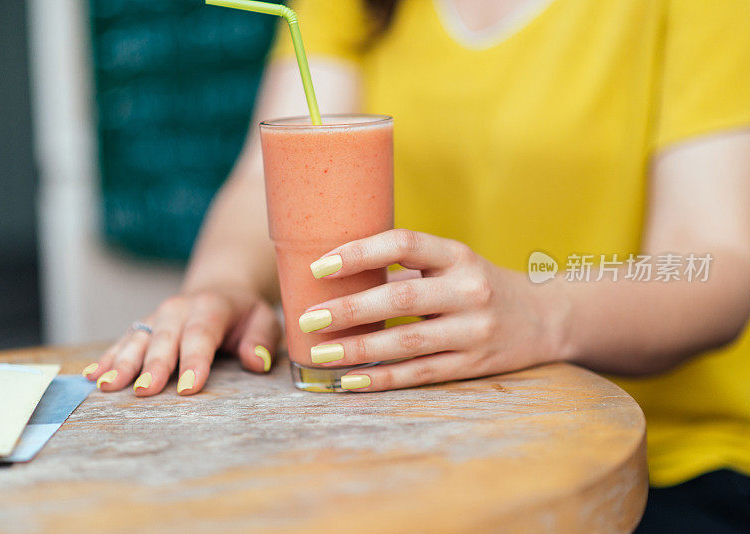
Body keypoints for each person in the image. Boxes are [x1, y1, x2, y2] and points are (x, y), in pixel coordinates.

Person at [82, 0, 750, 530]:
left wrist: (545, 314)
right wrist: (222, 283)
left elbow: (714, 264)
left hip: (665, 465)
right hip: (411, 454)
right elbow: (273, 171)